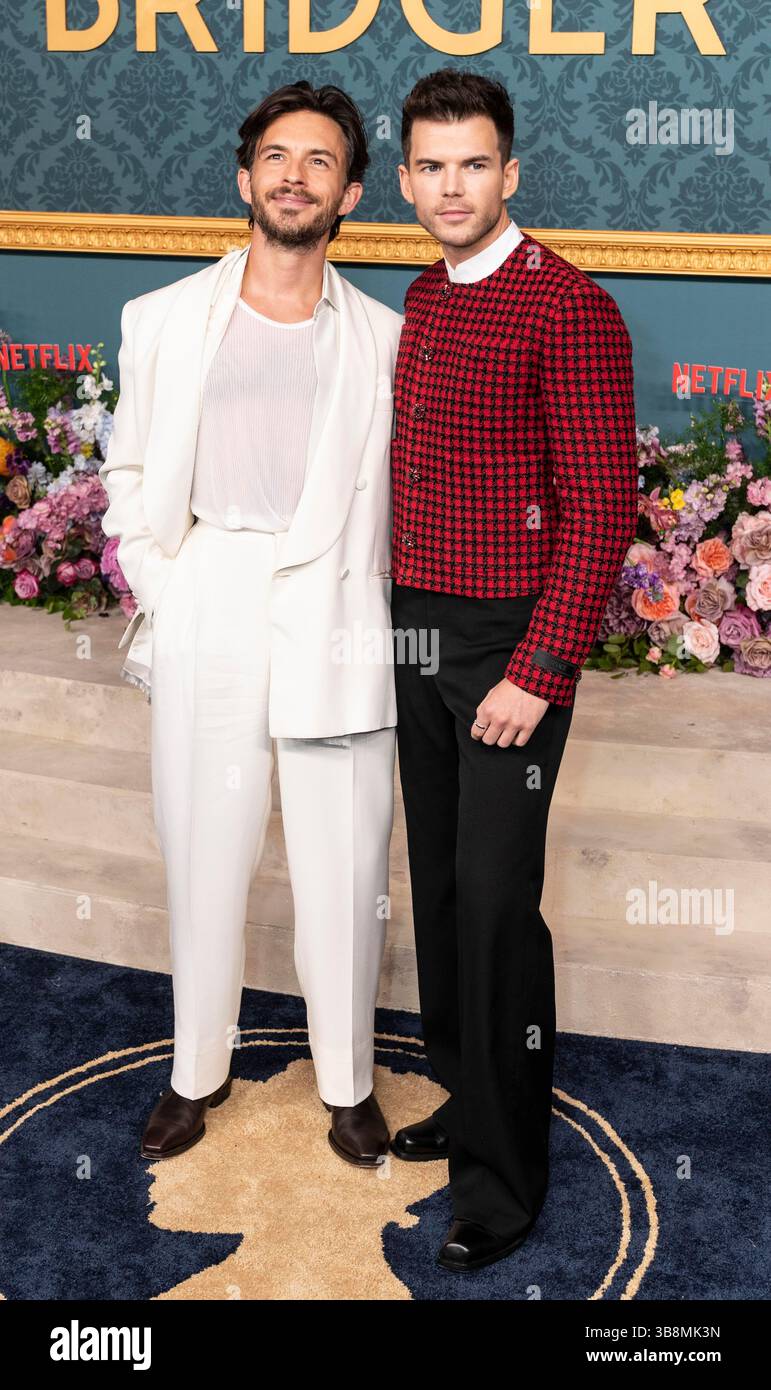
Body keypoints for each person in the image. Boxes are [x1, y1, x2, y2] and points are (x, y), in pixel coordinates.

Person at [98, 81, 403, 1168]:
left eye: (320, 161)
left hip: (338, 614)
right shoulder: (164, 319)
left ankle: (350, 1083)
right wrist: (167, 588)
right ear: (244, 177)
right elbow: (128, 470)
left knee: (344, 857)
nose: (294, 176)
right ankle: (195, 1071)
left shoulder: (388, 338)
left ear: (351, 192)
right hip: (211, 595)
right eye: (277, 156)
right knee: (204, 846)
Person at [388, 68, 639, 1271]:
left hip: (508, 645)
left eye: (473, 164)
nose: (453, 186)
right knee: (436, 885)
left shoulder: (569, 308)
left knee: (494, 907)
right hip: (417, 629)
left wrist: (538, 670)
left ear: (511, 172)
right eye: (432, 166)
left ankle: (504, 1178)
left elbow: (601, 514)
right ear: (404, 180)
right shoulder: (426, 296)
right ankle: (465, 1097)